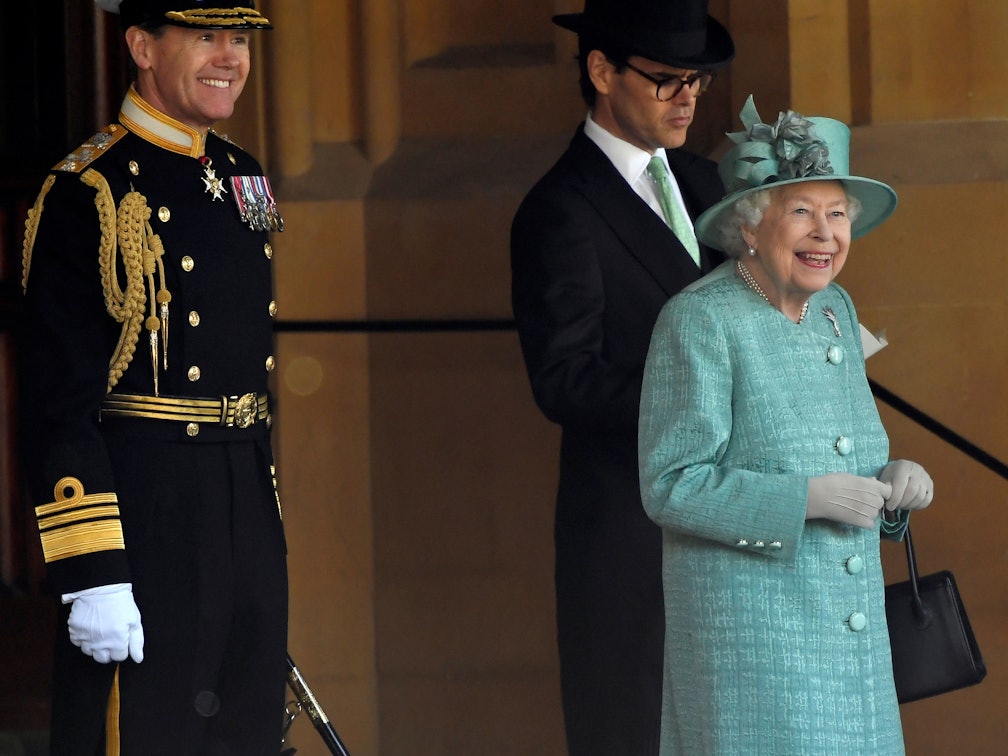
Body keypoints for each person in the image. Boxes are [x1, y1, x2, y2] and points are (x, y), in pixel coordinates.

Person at [19, 1, 288, 753]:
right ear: (140, 44)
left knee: (243, 734)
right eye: (206, 36)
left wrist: (257, 542)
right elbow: (56, 406)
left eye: (238, 39)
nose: (228, 57)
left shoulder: (243, 176)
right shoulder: (88, 191)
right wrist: (92, 570)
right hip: (147, 518)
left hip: (243, 505)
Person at [638, 95, 935, 754]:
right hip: (756, 647)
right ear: (749, 225)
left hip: (850, 648)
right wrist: (803, 500)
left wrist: (893, 486)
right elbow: (670, 484)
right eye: (801, 212)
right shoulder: (700, 321)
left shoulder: (836, 310)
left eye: (837, 214)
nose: (824, 234)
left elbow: (849, 457)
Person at [510, 0, 734, 752]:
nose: (687, 99)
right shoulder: (559, 209)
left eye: (696, 82)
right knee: (635, 729)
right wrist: (714, 399)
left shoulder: (710, 183)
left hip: (737, 522)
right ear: (601, 70)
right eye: (667, 79)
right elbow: (564, 381)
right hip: (633, 535)